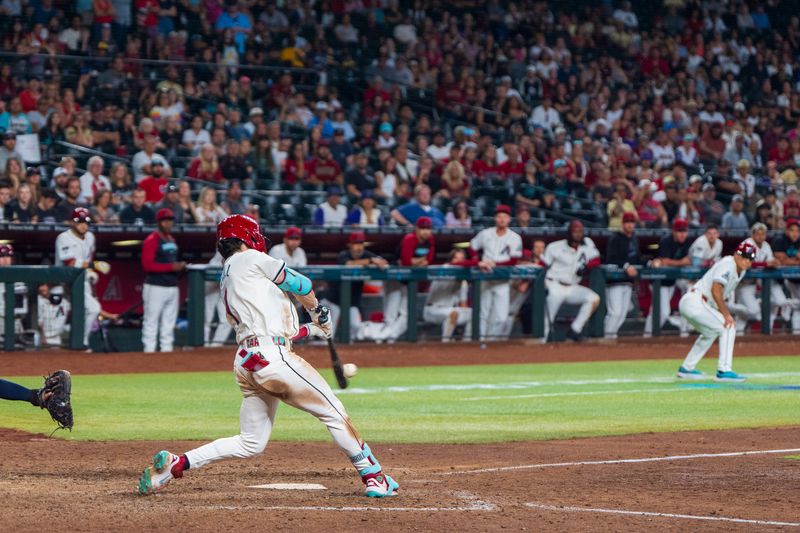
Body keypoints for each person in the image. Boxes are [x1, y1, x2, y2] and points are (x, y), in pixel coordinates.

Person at [137, 215, 398, 498]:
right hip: (272, 358)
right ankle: (375, 477)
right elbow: (301, 284)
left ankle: (177, 464)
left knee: (251, 443)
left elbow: (269, 328)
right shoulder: (250, 258)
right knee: (334, 412)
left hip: (248, 361)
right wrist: (316, 309)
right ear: (247, 237)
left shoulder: (229, 274)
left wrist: (312, 328)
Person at [676, 242, 755, 382]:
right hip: (696, 301)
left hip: (698, 303)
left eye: (750, 259)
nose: (747, 261)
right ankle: (724, 370)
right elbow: (716, 289)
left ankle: (687, 368)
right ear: (736, 254)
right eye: (744, 257)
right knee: (728, 326)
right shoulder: (728, 263)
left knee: (710, 332)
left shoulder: (741, 271)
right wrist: (726, 315)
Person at [468, 205, 523, 340]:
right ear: (495, 218)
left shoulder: (515, 237)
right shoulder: (485, 233)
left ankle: (491, 341)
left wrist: (494, 264)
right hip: (485, 278)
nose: (502, 219)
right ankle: (480, 342)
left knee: (501, 317)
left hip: (502, 281)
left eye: (505, 216)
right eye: (499, 216)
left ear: (509, 219)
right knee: (483, 314)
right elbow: (472, 247)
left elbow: (513, 261)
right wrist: (478, 261)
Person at [541, 220, 601, 342]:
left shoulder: (587, 246)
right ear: (569, 232)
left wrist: (587, 266)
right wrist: (545, 284)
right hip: (555, 284)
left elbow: (597, 259)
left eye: (580, 232)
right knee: (548, 318)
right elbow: (543, 267)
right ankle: (541, 341)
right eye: (575, 231)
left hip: (572, 287)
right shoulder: (555, 247)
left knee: (593, 298)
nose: (578, 234)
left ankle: (574, 330)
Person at [54, 208, 100, 349]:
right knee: (57, 325)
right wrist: (93, 265)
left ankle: (82, 341)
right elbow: (70, 263)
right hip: (64, 283)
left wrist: (91, 272)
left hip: (82, 281)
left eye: (85, 222)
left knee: (93, 309)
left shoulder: (91, 237)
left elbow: (87, 258)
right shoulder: (63, 237)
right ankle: (74, 339)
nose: (83, 225)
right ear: (71, 223)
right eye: (79, 222)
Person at [140, 208, 185, 353]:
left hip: (172, 285)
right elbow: (147, 265)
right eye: (165, 220)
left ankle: (166, 351)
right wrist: (172, 267)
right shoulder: (152, 240)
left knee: (169, 321)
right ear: (159, 222)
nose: (168, 223)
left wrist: (178, 267)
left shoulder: (172, 239)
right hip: (155, 285)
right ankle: (149, 350)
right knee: (151, 320)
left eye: (170, 220)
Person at [733, 223, 790, 334]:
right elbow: (745, 263)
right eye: (758, 233)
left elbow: (769, 261)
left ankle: (740, 336)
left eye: (763, 234)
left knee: (779, 301)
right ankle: (730, 308)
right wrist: (765, 264)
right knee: (754, 312)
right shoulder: (748, 244)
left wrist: (774, 262)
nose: (760, 236)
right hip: (744, 282)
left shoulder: (766, 245)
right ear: (753, 234)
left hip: (756, 281)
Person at [644, 219, 691, 337]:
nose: (682, 234)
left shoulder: (687, 243)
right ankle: (650, 334)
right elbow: (664, 261)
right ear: (674, 231)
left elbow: (688, 261)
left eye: (684, 231)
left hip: (671, 282)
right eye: (679, 231)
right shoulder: (666, 242)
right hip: (658, 282)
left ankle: (647, 335)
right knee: (664, 312)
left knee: (655, 311)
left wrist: (674, 262)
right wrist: (681, 262)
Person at [604, 212, 642, 339]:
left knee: (622, 313)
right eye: (627, 222)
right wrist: (625, 265)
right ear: (623, 223)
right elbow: (611, 258)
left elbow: (637, 259)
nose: (630, 225)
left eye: (632, 222)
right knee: (614, 312)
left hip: (627, 282)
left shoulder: (634, 239)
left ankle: (611, 336)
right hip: (614, 281)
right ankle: (604, 338)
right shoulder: (615, 238)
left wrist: (649, 262)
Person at [422, 248, 472, 342]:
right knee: (453, 313)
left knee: (474, 314)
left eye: (462, 259)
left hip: (450, 310)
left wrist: (463, 313)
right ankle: (446, 342)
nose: (459, 261)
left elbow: (463, 304)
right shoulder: (444, 269)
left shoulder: (463, 280)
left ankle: (467, 341)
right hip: (433, 310)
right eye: (456, 258)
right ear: (450, 260)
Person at [772, 218, 800, 334]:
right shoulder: (780, 240)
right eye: (792, 230)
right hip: (788, 280)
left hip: (797, 279)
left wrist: (789, 260)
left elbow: (786, 259)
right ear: (786, 230)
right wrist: (796, 260)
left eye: (797, 231)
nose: (795, 233)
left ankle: (796, 332)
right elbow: (781, 259)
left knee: (798, 308)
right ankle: (786, 304)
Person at [204, 251, 231, 347]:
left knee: (227, 319)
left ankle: (216, 346)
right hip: (213, 273)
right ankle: (203, 344)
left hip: (225, 280)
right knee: (206, 317)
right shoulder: (226, 243)